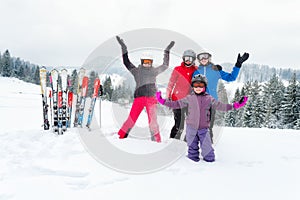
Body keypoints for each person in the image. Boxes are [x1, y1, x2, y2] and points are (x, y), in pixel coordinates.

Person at [156, 74, 248, 162]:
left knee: (208, 153)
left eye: (200, 85)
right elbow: (175, 104)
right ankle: (194, 168)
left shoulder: (209, 98)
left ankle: (210, 166)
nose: (198, 88)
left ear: (204, 86)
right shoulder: (189, 98)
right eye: (196, 85)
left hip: (203, 129)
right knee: (192, 152)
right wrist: (162, 101)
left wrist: (235, 105)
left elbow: (221, 106)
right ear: (193, 86)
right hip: (191, 128)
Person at [116, 36, 175, 142]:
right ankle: (120, 136)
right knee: (131, 119)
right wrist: (123, 47)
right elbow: (126, 62)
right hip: (139, 98)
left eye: (149, 62)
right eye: (145, 61)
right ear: (142, 61)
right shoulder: (136, 71)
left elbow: (165, 65)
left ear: (151, 62)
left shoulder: (154, 71)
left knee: (153, 121)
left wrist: (167, 51)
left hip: (151, 99)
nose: (147, 63)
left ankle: (156, 140)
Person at [192, 52, 249, 142]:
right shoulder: (195, 71)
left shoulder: (215, 70)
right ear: (198, 60)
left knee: (208, 125)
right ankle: (192, 144)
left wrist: (238, 64)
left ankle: (207, 144)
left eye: (205, 57)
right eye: (201, 57)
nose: (203, 59)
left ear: (209, 58)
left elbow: (231, 78)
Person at [166, 50, 198, 140]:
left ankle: (187, 142)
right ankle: (173, 141)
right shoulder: (178, 69)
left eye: (190, 59)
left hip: (190, 101)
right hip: (177, 100)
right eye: (186, 58)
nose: (188, 61)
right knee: (179, 124)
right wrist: (168, 96)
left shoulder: (196, 70)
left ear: (193, 60)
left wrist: (215, 69)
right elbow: (171, 83)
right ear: (183, 59)